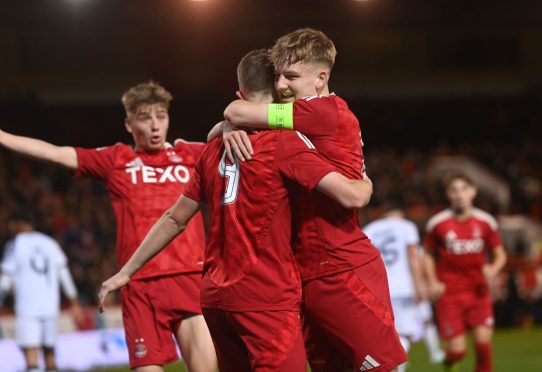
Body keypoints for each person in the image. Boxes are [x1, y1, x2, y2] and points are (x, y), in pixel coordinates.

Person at [97, 48, 374, 371]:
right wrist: (364, 177)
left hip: (216, 298)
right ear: (280, 91)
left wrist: (126, 272)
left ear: (240, 96)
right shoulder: (285, 144)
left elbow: (175, 217)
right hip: (266, 293)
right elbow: (352, 197)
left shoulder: (211, 151)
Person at [222, 28, 407, 372]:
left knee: (383, 368)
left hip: (341, 267)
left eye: (291, 77)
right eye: (277, 77)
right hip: (305, 272)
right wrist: (230, 127)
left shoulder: (320, 113)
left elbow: (237, 111)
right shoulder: (301, 117)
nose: (280, 86)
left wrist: (232, 123)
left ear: (321, 77)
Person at [0, 82, 217, 372]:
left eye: (161, 116)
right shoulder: (116, 160)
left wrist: (230, 127)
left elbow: (237, 143)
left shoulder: (192, 154)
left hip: (189, 277)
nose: (155, 125)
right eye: (144, 117)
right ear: (129, 124)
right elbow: (56, 153)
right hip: (138, 285)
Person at [423, 172, 507, 372]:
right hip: (450, 293)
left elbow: (500, 254)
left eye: (463, 189)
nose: (459, 194)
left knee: (484, 347)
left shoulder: (486, 222)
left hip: (479, 291)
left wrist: (492, 269)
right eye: (454, 190)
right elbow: (427, 254)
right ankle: (450, 362)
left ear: (473, 192)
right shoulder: (437, 224)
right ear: (448, 195)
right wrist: (433, 282)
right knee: (457, 352)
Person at [363, 206, 445, 371]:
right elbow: (413, 256)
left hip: (378, 290)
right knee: (405, 333)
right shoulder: (406, 226)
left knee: (386, 334)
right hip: (403, 288)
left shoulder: (370, 229)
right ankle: (396, 368)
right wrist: (418, 285)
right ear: (399, 214)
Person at [0, 210, 83, 372]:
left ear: (17, 223)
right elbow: (64, 274)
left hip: (27, 308)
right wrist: (74, 302)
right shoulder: (50, 243)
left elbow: (6, 279)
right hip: (50, 307)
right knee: (49, 353)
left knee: (31, 353)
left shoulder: (15, 244)